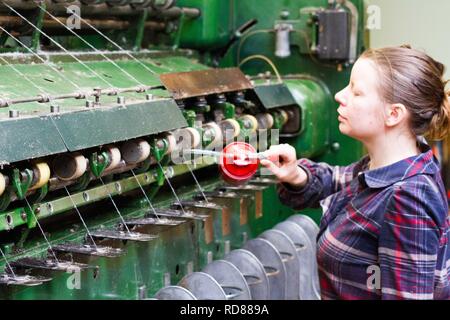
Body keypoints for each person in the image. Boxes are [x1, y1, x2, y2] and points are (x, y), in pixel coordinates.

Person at [260, 45, 450, 300]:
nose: (340, 95)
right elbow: (339, 181)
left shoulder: (409, 197)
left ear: (393, 114)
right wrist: (296, 175)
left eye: (356, 92)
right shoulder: (387, 166)